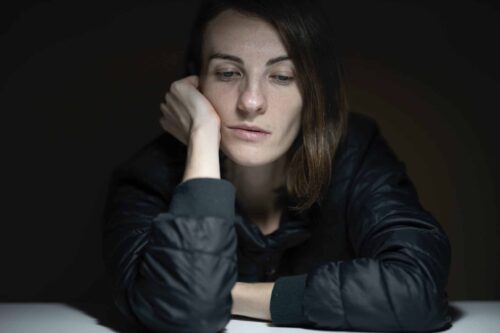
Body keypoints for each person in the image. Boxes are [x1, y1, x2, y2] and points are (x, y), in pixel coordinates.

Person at [101, 0, 452, 332]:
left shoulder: (355, 155)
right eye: (227, 72)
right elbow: (186, 315)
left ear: (315, 92)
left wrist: (232, 294)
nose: (251, 101)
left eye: (282, 76)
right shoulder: (148, 177)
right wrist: (203, 135)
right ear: (194, 84)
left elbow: (418, 288)